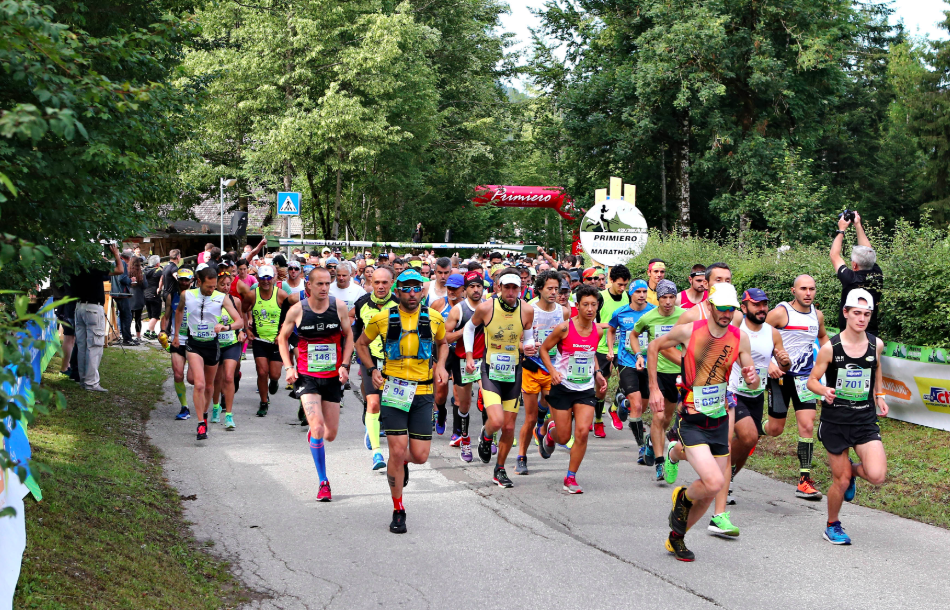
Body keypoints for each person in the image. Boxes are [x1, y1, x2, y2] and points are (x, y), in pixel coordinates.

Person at [647, 283, 759, 562]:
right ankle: (683, 496)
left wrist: (752, 376)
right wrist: (654, 389)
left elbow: (750, 374)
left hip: (719, 419)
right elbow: (654, 346)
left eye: (730, 309)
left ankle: (677, 538)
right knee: (712, 481)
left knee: (710, 494)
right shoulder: (690, 331)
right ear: (709, 306)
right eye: (721, 308)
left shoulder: (739, 337)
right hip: (692, 419)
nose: (725, 314)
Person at [355, 268, 448, 534]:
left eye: (415, 287)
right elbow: (361, 343)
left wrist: (441, 365)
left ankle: (402, 463)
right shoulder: (382, 318)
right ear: (398, 291)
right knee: (395, 451)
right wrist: (373, 368)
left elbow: (443, 344)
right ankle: (398, 509)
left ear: (422, 290)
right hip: (394, 391)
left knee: (419, 455)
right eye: (405, 288)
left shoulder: (434, 318)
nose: (411, 292)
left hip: (422, 392)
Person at [807, 289, 887, 545]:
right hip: (835, 422)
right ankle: (832, 524)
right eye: (857, 313)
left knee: (877, 476)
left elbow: (877, 371)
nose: (862, 319)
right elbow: (811, 382)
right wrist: (824, 390)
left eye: (866, 314)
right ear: (846, 313)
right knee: (839, 481)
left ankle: (852, 471)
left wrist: (880, 395)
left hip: (864, 420)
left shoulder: (876, 345)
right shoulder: (831, 348)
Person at [709, 288, 791, 537]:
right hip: (734, 392)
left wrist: (784, 361)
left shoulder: (773, 333)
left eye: (764, 304)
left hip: (756, 394)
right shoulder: (736, 330)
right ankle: (720, 479)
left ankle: (725, 476)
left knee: (749, 439)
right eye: (756, 305)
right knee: (748, 436)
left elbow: (782, 361)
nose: (762, 309)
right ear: (744, 308)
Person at [279, 267, 354, 502]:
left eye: (326, 284)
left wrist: (345, 364)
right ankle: (323, 482)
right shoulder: (297, 310)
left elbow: (349, 336)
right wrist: (289, 367)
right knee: (319, 427)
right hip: (307, 376)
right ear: (308, 286)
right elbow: (281, 338)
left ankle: (315, 435)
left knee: (329, 434)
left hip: (332, 377)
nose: (324, 288)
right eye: (319, 284)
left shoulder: (338, 307)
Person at [463, 269, 535, 488]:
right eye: (507, 288)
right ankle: (486, 434)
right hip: (490, 370)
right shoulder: (486, 308)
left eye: (515, 288)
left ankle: (500, 469)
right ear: (499, 288)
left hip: (513, 371)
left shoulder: (527, 310)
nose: (511, 292)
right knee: (496, 420)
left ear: (520, 289)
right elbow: (469, 327)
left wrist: (529, 348)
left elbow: (528, 338)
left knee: (510, 428)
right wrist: (468, 355)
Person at [764, 274, 830, 500]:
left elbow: (823, 339)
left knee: (807, 425)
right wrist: (769, 364)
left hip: (804, 378)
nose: (808, 293)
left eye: (812, 288)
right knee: (775, 430)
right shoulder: (781, 312)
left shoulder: (817, 316)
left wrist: (835, 357)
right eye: (803, 289)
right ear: (794, 291)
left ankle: (804, 479)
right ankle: (754, 427)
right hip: (780, 376)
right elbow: (756, 335)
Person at [537, 284, 607, 493]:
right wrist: (552, 371)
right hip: (563, 386)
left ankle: (571, 477)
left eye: (593, 305)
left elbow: (591, 353)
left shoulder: (598, 330)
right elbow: (543, 349)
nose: (590, 309)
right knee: (564, 437)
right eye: (585, 304)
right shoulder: (564, 328)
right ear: (577, 306)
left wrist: (597, 373)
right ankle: (550, 433)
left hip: (585, 388)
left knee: (583, 432)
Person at [172, 266, 244, 440]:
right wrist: (176, 335)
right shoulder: (187, 295)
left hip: (212, 344)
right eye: (209, 287)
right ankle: (200, 424)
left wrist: (226, 327)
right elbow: (179, 311)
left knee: (210, 385)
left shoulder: (221, 298)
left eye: (214, 287)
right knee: (199, 384)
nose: (212, 290)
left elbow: (239, 321)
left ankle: (204, 413)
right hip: (194, 344)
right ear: (199, 282)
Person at [628, 280, 685, 481]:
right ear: (658, 298)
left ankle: (652, 442)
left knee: (667, 419)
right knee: (659, 417)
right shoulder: (648, 317)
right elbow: (633, 336)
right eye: (664, 298)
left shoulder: (685, 316)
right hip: (658, 372)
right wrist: (638, 355)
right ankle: (660, 463)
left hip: (679, 373)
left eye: (672, 297)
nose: (668, 302)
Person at [519, 270, 570, 472]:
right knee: (529, 418)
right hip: (531, 367)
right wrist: (524, 347)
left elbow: (566, 340)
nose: (553, 292)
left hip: (553, 368)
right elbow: (517, 339)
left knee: (553, 412)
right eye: (549, 288)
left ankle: (542, 429)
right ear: (539, 288)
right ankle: (521, 457)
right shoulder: (528, 309)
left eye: (556, 289)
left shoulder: (563, 312)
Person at [351, 267, 398, 470]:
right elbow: (356, 331)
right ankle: (377, 453)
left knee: (390, 405)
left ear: (392, 282)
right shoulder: (362, 303)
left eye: (384, 283)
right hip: (370, 357)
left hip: (394, 361)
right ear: (371, 282)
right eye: (376, 282)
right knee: (373, 403)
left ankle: (375, 426)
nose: (380, 286)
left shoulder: (400, 303)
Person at [606, 279, 655, 462]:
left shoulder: (653, 311)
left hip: (649, 363)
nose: (642, 295)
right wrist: (611, 350)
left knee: (641, 407)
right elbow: (611, 330)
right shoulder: (620, 313)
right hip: (627, 362)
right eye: (638, 292)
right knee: (636, 405)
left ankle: (623, 403)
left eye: (644, 292)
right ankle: (641, 447)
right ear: (630, 294)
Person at [237, 264, 291, 417]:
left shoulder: (280, 295)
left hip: (276, 341)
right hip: (259, 339)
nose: (266, 281)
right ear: (258, 279)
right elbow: (244, 309)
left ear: (273, 278)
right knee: (262, 372)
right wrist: (247, 328)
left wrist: (282, 333)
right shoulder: (252, 295)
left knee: (274, 374)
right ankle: (263, 402)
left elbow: (290, 316)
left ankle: (273, 382)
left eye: (269, 278)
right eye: (263, 278)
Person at [444, 270, 485, 461]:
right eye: (472, 287)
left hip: (485, 360)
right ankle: (465, 440)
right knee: (464, 404)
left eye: (479, 286)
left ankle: (488, 438)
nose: (476, 290)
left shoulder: (490, 306)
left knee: (489, 400)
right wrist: (465, 330)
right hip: (463, 360)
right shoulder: (459, 310)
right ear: (465, 290)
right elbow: (445, 336)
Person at [71, 244, 125, 392]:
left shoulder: (76, 267)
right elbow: (120, 270)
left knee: (82, 346)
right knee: (94, 347)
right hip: (93, 308)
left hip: (79, 307)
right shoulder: (95, 268)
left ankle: (83, 380)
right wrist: (116, 254)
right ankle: (91, 383)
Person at [830, 211, 883, 335]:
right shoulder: (877, 275)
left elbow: (834, 255)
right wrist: (858, 225)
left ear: (854, 265)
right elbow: (868, 252)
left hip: (849, 333)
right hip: (871, 333)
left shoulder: (850, 278)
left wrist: (841, 230)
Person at [595, 265, 631, 435]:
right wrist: (611, 326)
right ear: (611, 281)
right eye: (620, 285)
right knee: (602, 386)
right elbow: (591, 323)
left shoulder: (628, 297)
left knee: (627, 380)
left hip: (623, 347)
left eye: (625, 285)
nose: (622, 288)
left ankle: (614, 408)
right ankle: (598, 420)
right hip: (601, 347)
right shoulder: (600, 297)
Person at [209, 270, 246, 430]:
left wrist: (241, 332)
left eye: (228, 285)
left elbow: (241, 321)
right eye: (222, 284)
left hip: (232, 342)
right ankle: (216, 407)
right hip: (214, 344)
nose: (225, 287)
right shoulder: (209, 301)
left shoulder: (235, 301)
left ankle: (229, 415)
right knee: (217, 379)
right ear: (215, 285)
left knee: (229, 377)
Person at [429, 273, 465, 435]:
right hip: (441, 351)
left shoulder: (467, 306)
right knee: (441, 390)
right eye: (449, 288)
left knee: (458, 393)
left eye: (455, 289)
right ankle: (441, 412)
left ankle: (457, 432)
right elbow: (426, 324)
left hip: (460, 352)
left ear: (462, 289)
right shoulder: (438, 304)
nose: (451, 292)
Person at [164, 268, 195, 418]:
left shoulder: (197, 296)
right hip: (177, 340)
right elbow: (166, 316)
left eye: (186, 280)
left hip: (195, 341)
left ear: (192, 281)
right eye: (181, 279)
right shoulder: (172, 296)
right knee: (177, 375)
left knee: (192, 379)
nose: (183, 282)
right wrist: (163, 331)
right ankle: (184, 407)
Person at [114, 250, 135, 345]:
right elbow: (122, 278)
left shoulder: (116, 261)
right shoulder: (122, 263)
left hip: (116, 292)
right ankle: (127, 338)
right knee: (127, 316)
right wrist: (131, 280)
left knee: (122, 315)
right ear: (129, 258)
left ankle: (125, 337)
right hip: (121, 292)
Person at [143, 255, 164, 340]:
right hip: (154, 295)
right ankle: (147, 331)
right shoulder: (158, 271)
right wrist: (159, 289)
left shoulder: (145, 270)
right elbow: (162, 280)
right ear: (158, 263)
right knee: (155, 316)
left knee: (151, 315)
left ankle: (152, 332)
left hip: (145, 295)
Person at [128, 254, 146, 342]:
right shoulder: (141, 273)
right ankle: (138, 336)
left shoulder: (127, 273)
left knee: (128, 317)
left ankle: (127, 334)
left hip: (129, 297)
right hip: (139, 297)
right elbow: (145, 285)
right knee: (138, 318)